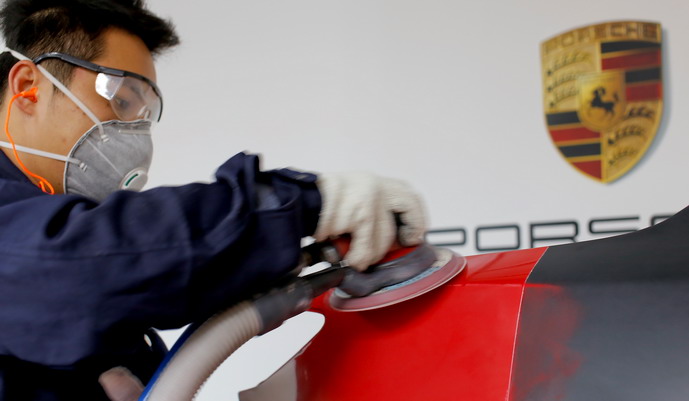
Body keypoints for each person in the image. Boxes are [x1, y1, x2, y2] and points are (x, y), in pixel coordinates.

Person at [0, 1, 427, 400]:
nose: (135, 135)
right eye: (122, 100)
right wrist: (305, 202)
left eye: (144, 114)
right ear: (28, 87)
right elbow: (83, 263)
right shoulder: (44, 254)